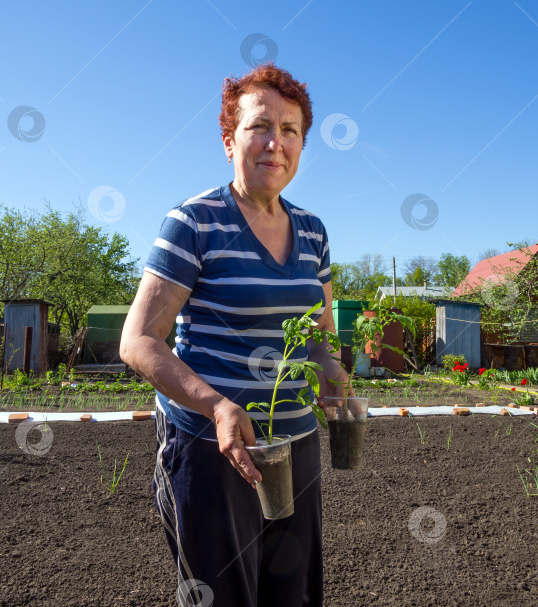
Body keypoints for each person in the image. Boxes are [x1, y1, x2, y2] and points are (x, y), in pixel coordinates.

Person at [119, 64, 347, 607]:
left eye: (290, 131)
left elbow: (320, 334)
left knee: (292, 592)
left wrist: (332, 372)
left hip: (295, 443)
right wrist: (216, 406)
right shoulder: (194, 222)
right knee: (222, 596)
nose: (276, 143)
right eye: (259, 126)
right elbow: (138, 340)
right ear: (229, 140)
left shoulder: (313, 231)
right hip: (213, 451)